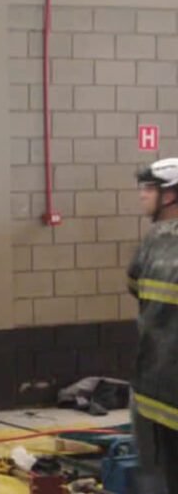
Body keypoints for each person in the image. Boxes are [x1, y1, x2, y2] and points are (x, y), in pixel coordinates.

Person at [126, 159, 178, 492]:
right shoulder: (154, 241)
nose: (143, 195)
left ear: (171, 195)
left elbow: (133, 286)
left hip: (151, 387)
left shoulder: (150, 245)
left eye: (149, 188)